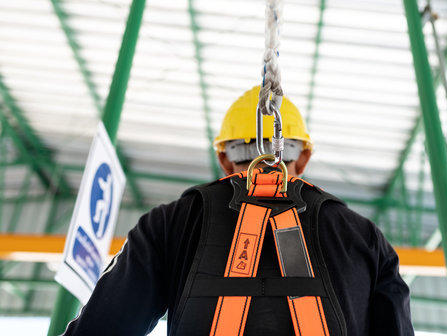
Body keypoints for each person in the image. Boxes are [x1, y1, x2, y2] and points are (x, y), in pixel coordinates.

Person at [62, 86, 414, 335]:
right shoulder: (364, 238)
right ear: (303, 157)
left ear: (223, 158)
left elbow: (103, 326)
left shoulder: (169, 224)